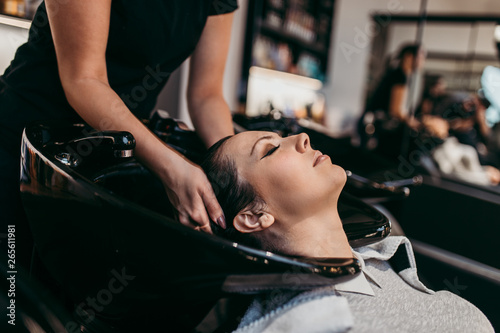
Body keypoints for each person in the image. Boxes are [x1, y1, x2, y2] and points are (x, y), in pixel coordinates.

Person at [0, 0, 237, 264]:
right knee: (12, 288)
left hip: (106, 163)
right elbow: (84, 80)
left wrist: (237, 170)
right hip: (27, 145)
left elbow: (207, 96)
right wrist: (172, 166)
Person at [200, 131, 494, 332]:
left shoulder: (386, 254)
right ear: (254, 216)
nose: (302, 138)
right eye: (271, 149)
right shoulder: (303, 322)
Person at [359, 43, 426, 158]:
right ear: (409, 56)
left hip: (372, 123)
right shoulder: (400, 76)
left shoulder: (397, 73)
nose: (423, 61)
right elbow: (396, 110)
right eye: (421, 57)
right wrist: (415, 123)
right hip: (374, 126)